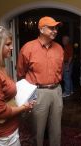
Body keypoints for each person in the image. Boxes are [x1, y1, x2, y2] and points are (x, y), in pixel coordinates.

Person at [0, 25, 35, 146]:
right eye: (8, 44)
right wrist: (24, 107)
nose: (12, 47)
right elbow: (1, 112)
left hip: (10, 129)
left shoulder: (0, 65)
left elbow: (5, 95)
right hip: (1, 136)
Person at [17, 16, 63, 146]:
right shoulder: (28, 47)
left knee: (56, 128)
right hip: (38, 92)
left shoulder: (59, 48)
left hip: (56, 90)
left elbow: (60, 71)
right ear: (42, 29)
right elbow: (21, 72)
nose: (55, 31)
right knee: (38, 129)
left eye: (56, 28)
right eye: (51, 28)